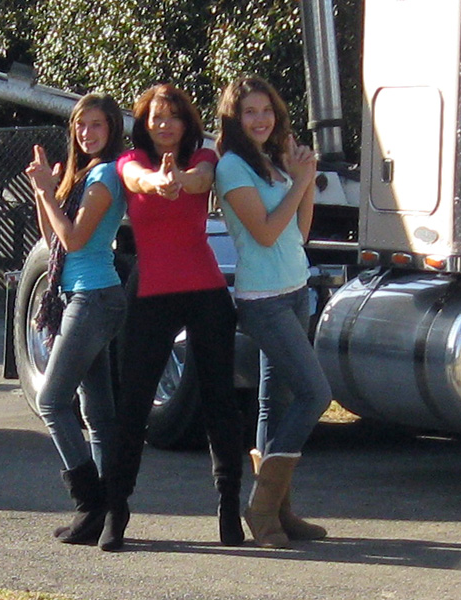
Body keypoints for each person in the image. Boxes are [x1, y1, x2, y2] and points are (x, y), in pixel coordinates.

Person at [98, 83, 244, 552]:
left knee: (220, 401)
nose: (164, 124)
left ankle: (229, 506)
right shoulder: (129, 161)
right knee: (133, 404)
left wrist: (179, 179)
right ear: (144, 123)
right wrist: (159, 183)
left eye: (173, 116)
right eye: (156, 117)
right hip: (151, 293)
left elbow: (200, 181)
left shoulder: (204, 158)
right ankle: (116, 509)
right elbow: (139, 179)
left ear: (187, 123)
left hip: (205, 290)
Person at [215, 75, 331, 548]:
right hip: (263, 300)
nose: (260, 119)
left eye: (266, 110)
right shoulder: (231, 167)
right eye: (250, 112)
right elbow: (264, 233)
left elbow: (298, 233)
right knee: (315, 394)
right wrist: (301, 180)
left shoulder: (272, 160)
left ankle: (278, 513)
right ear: (235, 119)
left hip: (295, 289)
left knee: (275, 402)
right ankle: (261, 506)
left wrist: (305, 178)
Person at [25, 93, 127, 544]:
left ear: (112, 129)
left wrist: (49, 192)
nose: (87, 133)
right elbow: (52, 241)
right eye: (81, 125)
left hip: (94, 298)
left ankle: (90, 503)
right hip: (78, 297)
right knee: (97, 413)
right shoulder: (83, 174)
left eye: (97, 125)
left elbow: (76, 239)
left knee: (51, 401)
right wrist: (42, 191)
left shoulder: (105, 175)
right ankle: (107, 511)